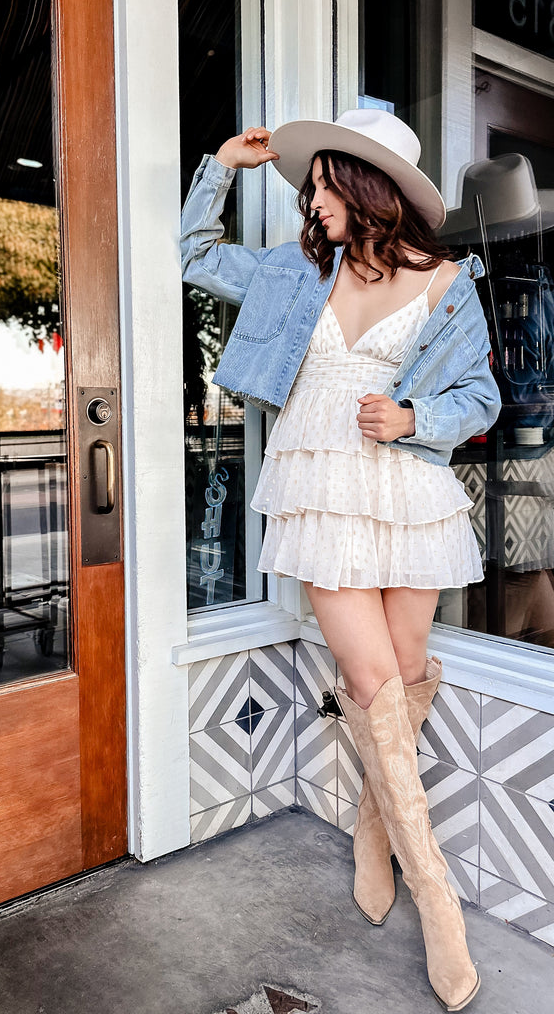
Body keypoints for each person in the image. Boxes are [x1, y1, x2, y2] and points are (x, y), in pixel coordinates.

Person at [181, 108, 501, 1012]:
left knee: (403, 672)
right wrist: (222, 166)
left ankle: (374, 826)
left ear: (370, 191)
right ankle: (437, 894)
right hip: (319, 490)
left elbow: (480, 394)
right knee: (369, 680)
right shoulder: (293, 274)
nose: (311, 199)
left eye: (324, 183)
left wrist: (414, 420)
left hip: (410, 496)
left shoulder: (446, 283)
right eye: (311, 183)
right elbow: (195, 255)